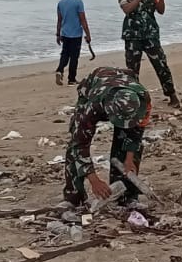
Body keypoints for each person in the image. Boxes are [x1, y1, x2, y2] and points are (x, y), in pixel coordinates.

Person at [63, 67, 151, 205]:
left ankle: (125, 195)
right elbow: (79, 144)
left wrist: (129, 159)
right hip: (94, 86)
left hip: (124, 80)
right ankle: (74, 197)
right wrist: (94, 180)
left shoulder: (142, 100)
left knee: (127, 146)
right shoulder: (93, 106)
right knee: (74, 146)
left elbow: (136, 132)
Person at [118, 0, 179, 107]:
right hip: (132, 35)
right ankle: (135, 99)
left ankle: (172, 94)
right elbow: (127, 9)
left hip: (150, 34)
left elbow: (161, 10)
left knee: (161, 65)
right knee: (132, 70)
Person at [54, 0, 92, 86]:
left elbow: (59, 20)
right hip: (75, 34)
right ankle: (71, 79)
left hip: (65, 33)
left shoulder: (61, 3)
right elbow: (83, 19)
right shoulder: (78, 2)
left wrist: (58, 34)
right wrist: (88, 34)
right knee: (74, 57)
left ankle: (60, 70)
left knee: (65, 54)